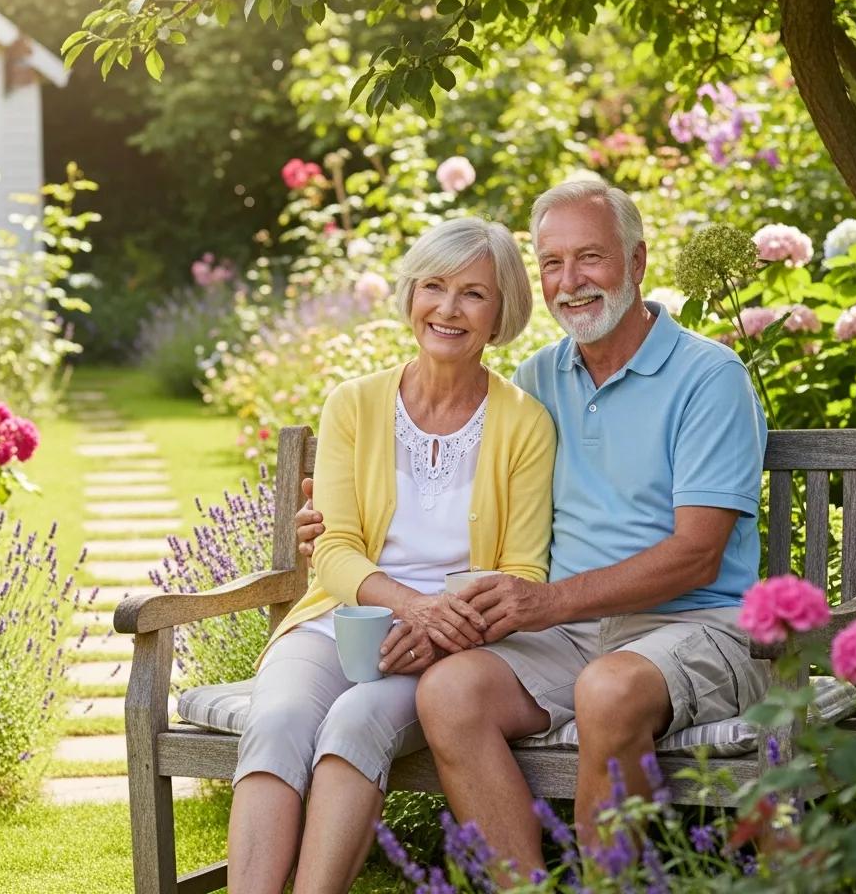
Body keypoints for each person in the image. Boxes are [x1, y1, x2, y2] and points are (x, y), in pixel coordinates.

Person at [297, 178, 770, 873]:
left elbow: (697, 555)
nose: (570, 281)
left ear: (637, 261)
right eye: (552, 263)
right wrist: (339, 521)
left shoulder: (709, 377)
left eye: (591, 257)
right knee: (449, 692)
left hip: (698, 625)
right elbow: (469, 501)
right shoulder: (538, 380)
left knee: (607, 689)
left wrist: (545, 602)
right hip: (570, 634)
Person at [227, 217, 557, 894]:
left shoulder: (524, 422)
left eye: (473, 293)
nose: (448, 308)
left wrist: (439, 633)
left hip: (448, 647)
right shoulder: (354, 404)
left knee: (355, 721)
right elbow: (334, 548)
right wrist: (413, 607)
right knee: (278, 719)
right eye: (433, 286)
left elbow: (522, 572)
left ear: (501, 313)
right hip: (341, 621)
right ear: (410, 296)